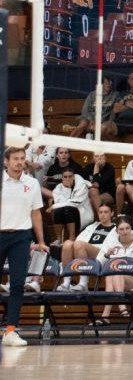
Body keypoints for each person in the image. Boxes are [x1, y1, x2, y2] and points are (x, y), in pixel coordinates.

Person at [0, 148, 47, 346]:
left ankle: (10, 331)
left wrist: (41, 241)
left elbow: (36, 213)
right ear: (6, 162)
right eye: (15, 159)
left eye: (22, 158)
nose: (19, 162)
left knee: (18, 284)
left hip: (21, 237)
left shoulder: (32, 183)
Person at [95, 217, 133, 325]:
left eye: (127, 228)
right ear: (117, 231)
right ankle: (110, 313)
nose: (125, 232)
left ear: (131, 228)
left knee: (116, 271)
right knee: (112, 274)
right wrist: (107, 255)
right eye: (121, 229)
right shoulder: (111, 240)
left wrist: (121, 267)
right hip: (114, 277)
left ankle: (110, 312)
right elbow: (99, 262)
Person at [57, 201, 115, 291]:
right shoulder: (92, 226)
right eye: (100, 212)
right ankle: (67, 282)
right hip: (83, 250)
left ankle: (83, 283)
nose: (103, 215)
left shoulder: (116, 229)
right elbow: (77, 241)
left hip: (102, 255)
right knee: (67, 243)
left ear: (112, 213)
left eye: (106, 212)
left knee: (79, 244)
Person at [49, 167, 94, 243]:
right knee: (58, 210)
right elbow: (59, 202)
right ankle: (58, 240)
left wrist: (53, 206)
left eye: (70, 176)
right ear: (62, 178)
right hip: (66, 212)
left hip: (81, 212)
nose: (67, 179)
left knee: (68, 209)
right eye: (65, 177)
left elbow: (75, 202)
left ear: (73, 177)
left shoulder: (81, 185)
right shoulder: (59, 187)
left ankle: (72, 237)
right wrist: (67, 188)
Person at [85, 152, 117, 217]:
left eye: (102, 156)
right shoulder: (88, 167)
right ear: (93, 158)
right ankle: (97, 220)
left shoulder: (109, 168)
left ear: (105, 157)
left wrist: (96, 166)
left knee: (93, 193)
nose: (99, 158)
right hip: (92, 194)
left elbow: (97, 184)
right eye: (96, 156)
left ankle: (101, 219)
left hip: (107, 193)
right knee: (92, 193)